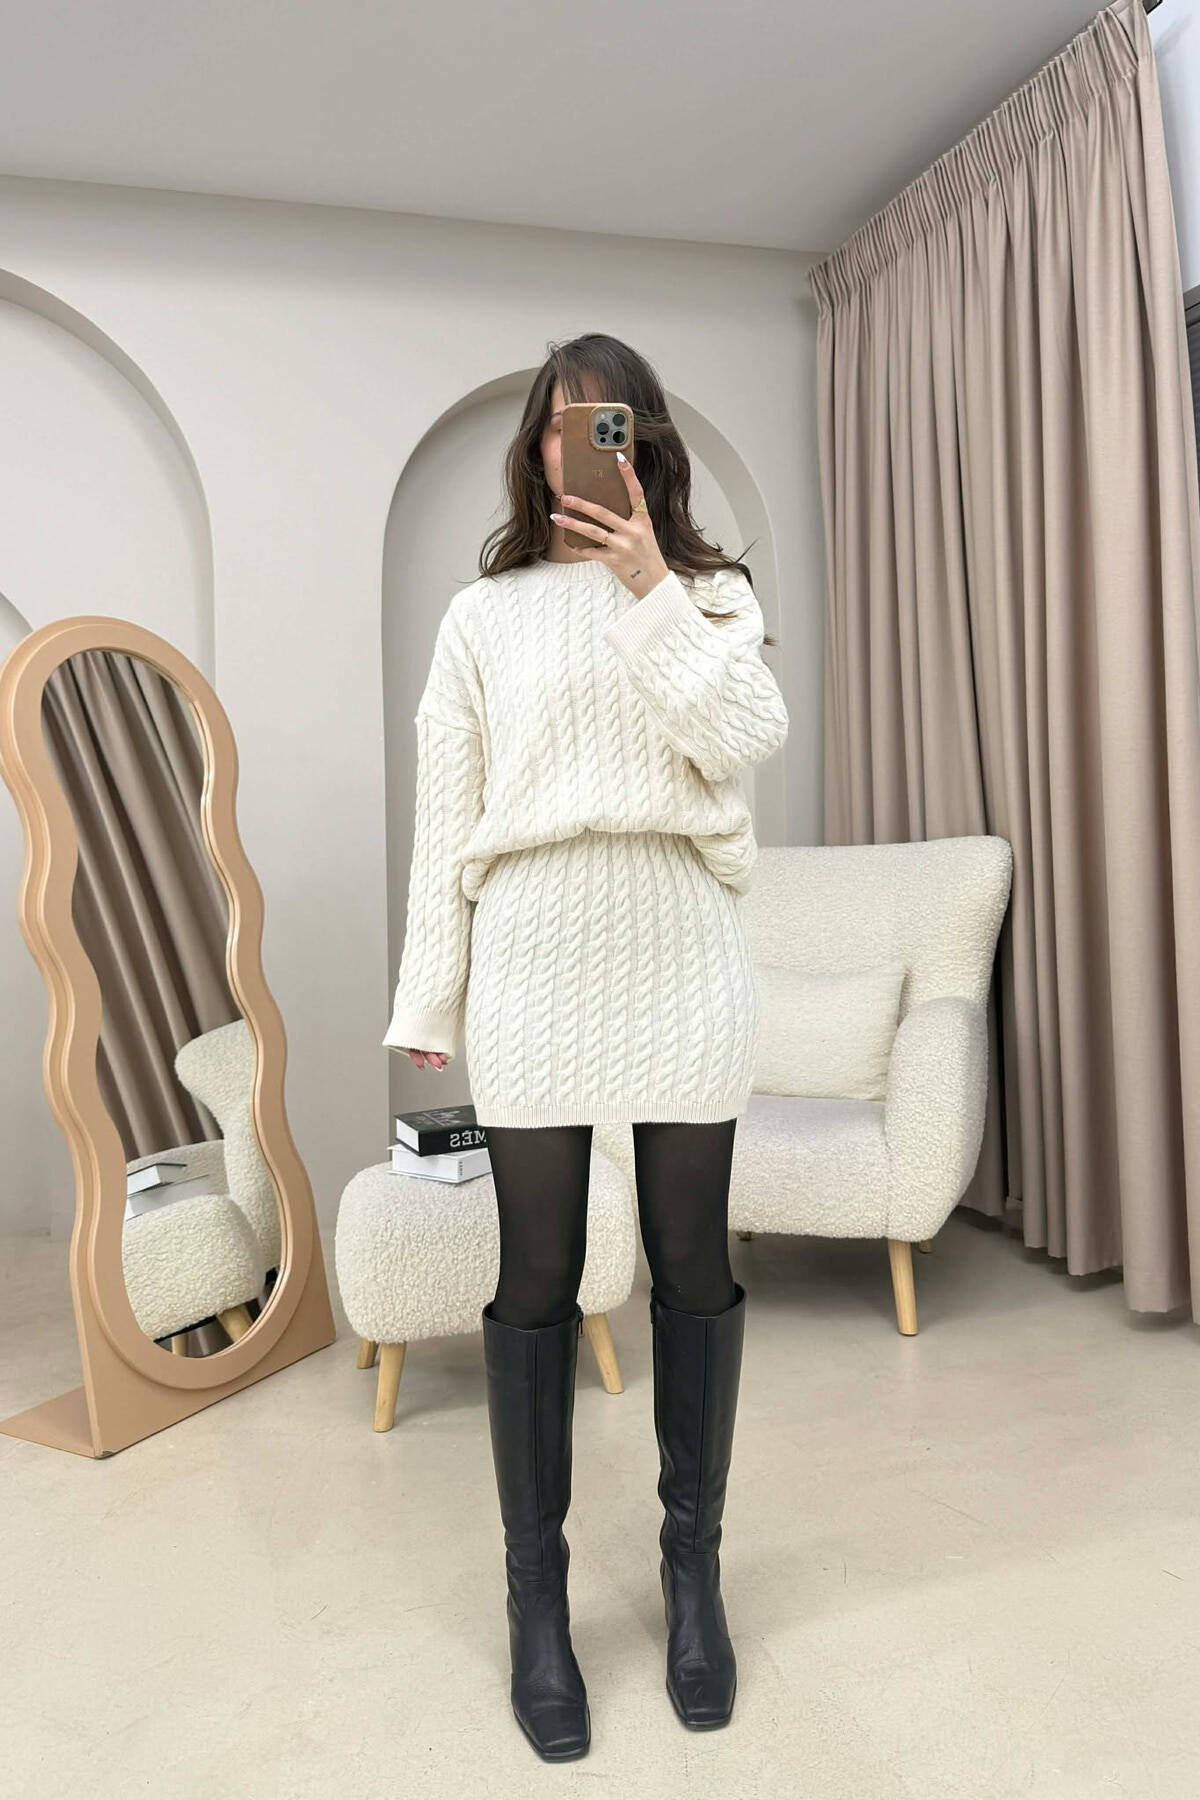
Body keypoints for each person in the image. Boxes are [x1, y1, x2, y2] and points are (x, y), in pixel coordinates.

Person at [382, 333, 789, 1760]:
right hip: (535, 960)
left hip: (682, 951)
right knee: (537, 1278)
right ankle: (537, 1600)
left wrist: (650, 589)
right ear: (536, 452)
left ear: (645, 444)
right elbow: (447, 820)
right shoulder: (480, 617)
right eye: (563, 430)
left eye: (608, 428)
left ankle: (693, 1577)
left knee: (693, 1267)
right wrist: (428, 1002)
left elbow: (746, 734)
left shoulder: (709, 594)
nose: (584, 451)